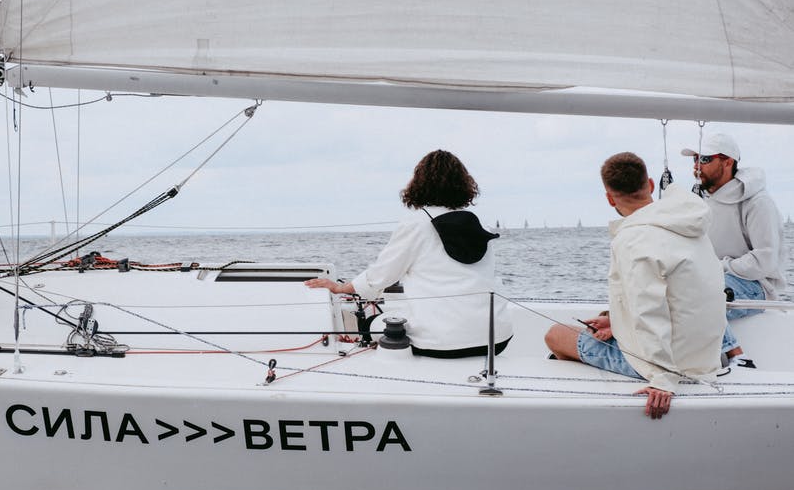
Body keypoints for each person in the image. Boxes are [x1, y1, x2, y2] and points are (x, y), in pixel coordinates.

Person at [544, 152, 725, 419]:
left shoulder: (633, 239)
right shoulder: (690, 224)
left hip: (672, 365)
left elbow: (647, 310)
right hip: (706, 355)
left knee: (556, 335)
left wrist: (662, 380)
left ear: (609, 198)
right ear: (650, 184)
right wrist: (615, 321)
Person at [305, 149, 512, 357]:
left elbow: (381, 276)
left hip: (441, 343)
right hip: (496, 338)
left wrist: (342, 288)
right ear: (464, 184)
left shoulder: (417, 224)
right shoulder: (476, 223)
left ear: (419, 184)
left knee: (371, 324)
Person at [681, 133, 787, 368]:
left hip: (757, 286)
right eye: (695, 159)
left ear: (728, 162)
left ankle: (737, 357)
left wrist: (717, 267)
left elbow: (765, 261)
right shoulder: (702, 200)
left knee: (697, 294)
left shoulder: (758, 203)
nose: (697, 166)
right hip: (715, 279)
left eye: (705, 159)